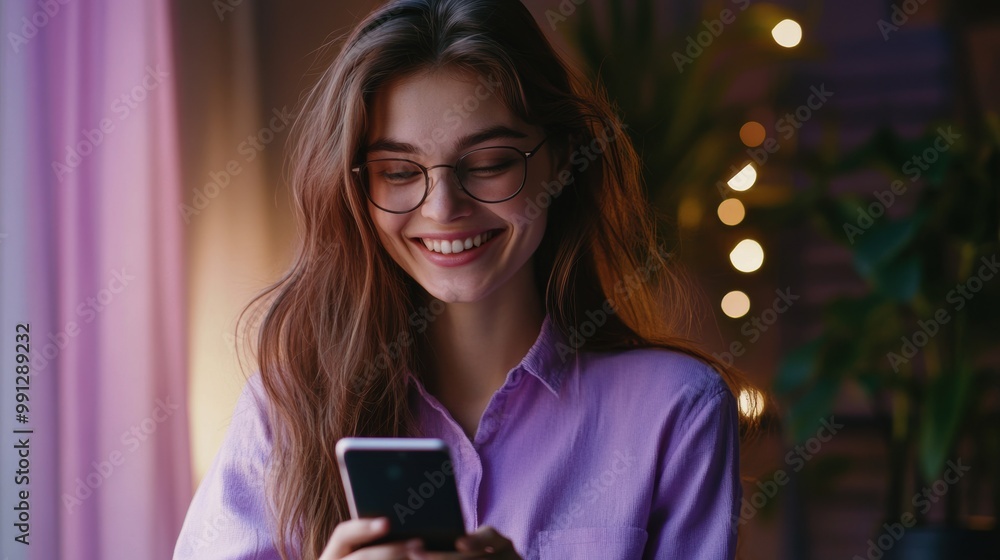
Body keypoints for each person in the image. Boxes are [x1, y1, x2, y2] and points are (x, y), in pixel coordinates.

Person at [174, 0, 754, 558]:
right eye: (399, 172)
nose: (443, 207)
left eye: (490, 163)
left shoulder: (676, 409)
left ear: (562, 159)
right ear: (357, 187)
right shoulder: (288, 409)